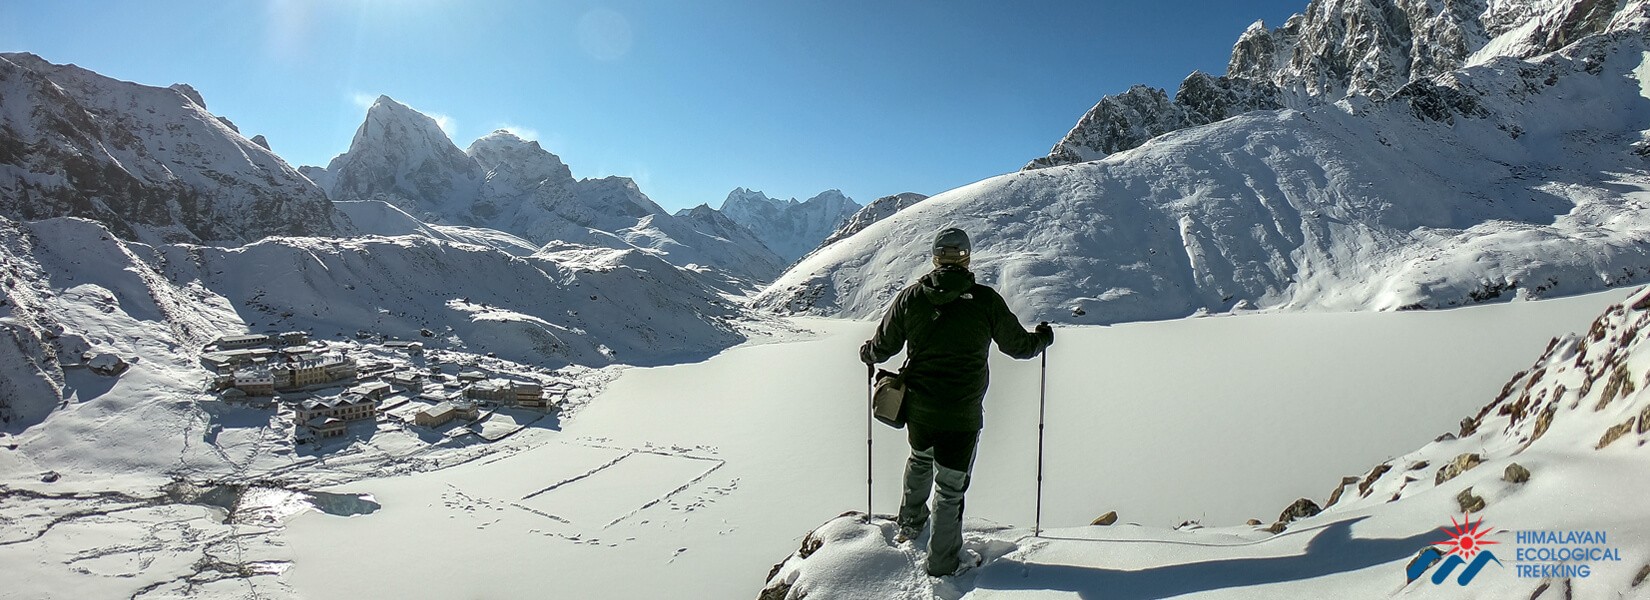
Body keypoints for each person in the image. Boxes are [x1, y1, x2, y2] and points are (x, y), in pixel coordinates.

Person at [859, 227, 1053, 577]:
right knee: (950, 489)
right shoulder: (985, 300)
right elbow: (1019, 347)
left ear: (935, 258)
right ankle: (943, 562)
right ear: (966, 258)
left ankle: (910, 524)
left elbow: (883, 347)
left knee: (919, 459)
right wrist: (1042, 339)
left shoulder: (911, 298)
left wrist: (867, 353)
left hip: (918, 408)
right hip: (961, 414)